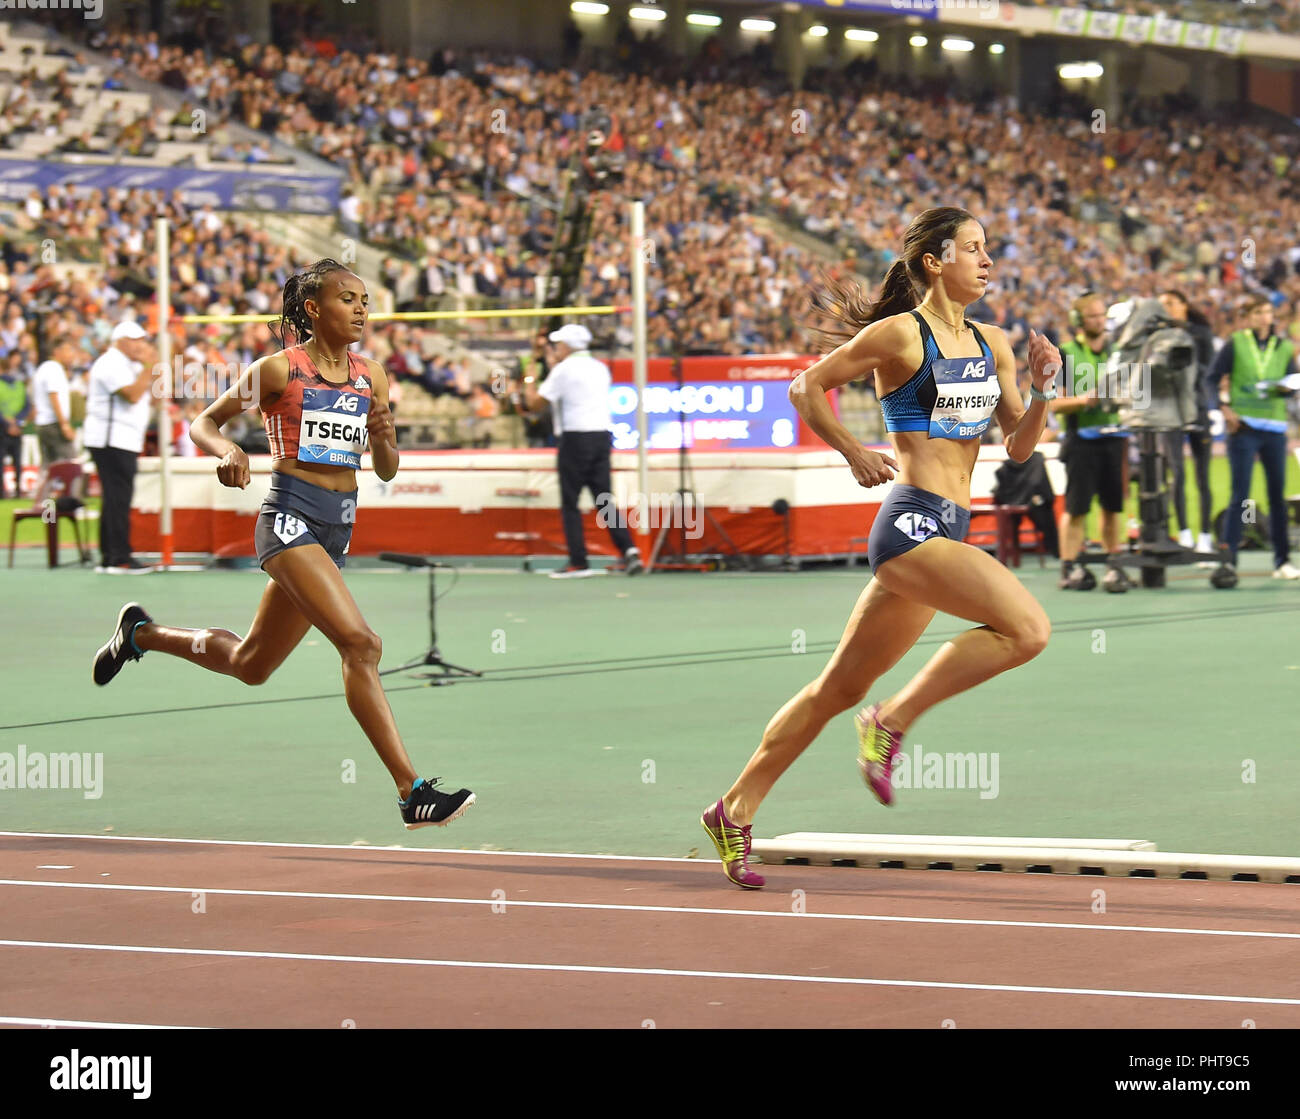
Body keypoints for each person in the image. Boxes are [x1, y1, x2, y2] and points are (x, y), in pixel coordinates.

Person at [700, 207, 1059, 888]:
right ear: (934, 261)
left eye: (989, 249)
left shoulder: (994, 342)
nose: (987, 261)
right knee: (1028, 629)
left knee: (837, 686)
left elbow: (1016, 445)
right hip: (911, 524)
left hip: (952, 527)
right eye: (973, 249)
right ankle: (890, 721)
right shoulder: (899, 334)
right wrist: (852, 451)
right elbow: (805, 385)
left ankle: (733, 807)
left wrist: (1041, 391)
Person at [91, 259, 476, 829]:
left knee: (251, 664)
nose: (362, 309)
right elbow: (205, 422)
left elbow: (389, 471)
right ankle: (410, 790)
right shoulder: (278, 370)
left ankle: (141, 634)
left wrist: (386, 437)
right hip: (289, 520)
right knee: (361, 644)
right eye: (349, 299)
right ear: (315, 308)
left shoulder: (374, 376)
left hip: (335, 530)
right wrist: (230, 453)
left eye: (366, 300)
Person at [525, 323, 643, 578]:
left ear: (566, 346)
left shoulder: (564, 370)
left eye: (558, 345)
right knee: (604, 500)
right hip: (601, 436)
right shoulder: (599, 368)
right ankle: (629, 550)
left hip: (575, 437)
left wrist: (530, 374)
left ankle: (578, 561)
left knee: (570, 503)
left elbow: (534, 404)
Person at [1211, 294, 1300, 580]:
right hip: (1244, 427)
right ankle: (1229, 560)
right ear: (1248, 317)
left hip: (1274, 427)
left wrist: (1288, 388)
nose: (1264, 317)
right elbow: (1211, 378)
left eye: (1267, 312)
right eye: (1258, 312)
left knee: (1277, 496)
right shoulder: (1236, 343)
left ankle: (1282, 561)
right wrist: (1223, 408)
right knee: (1240, 495)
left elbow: (1294, 381)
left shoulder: (1285, 347)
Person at [1051, 291, 1129, 591]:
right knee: (1076, 508)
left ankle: (1113, 564)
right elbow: (1054, 403)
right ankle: (1068, 567)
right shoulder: (1067, 353)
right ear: (1079, 321)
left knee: (1113, 507)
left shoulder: (1119, 352)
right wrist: (1086, 400)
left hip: (1114, 438)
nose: (1100, 321)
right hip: (1081, 440)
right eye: (1093, 316)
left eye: (1102, 315)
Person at [83, 321, 160, 573]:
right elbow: (132, 395)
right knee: (119, 498)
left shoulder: (124, 364)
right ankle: (119, 557)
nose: (141, 345)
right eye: (135, 340)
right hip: (112, 439)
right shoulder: (110, 363)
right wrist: (149, 366)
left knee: (114, 498)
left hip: (120, 438)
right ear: (121, 341)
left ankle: (110, 556)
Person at [1156, 290, 1214, 555]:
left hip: (1197, 407)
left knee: (1203, 476)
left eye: (1170, 303)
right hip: (1169, 409)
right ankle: (1184, 534)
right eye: (1162, 304)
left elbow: (1207, 369)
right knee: (1176, 474)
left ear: (1184, 304)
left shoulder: (1201, 332)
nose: (1165, 307)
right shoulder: (1156, 334)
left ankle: (1205, 535)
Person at [33, 338, 80, 466]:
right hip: (54, 424)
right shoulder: (53, 368)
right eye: (68, 350)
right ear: (56, 351)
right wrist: (64, 425)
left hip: (44, 424)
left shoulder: (44, 367)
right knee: (70, 464)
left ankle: (45, 486)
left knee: (49, 467)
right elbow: (53, 396)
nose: (72, 354)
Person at [0, 352, 28, 498]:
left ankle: (2, 492)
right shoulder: (19, 385)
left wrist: (7, 423)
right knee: (17, 461)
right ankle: (18, 490)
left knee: (1, 462)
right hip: (17, 429)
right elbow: (27, 406)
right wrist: (17, 422)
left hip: (2, 429)